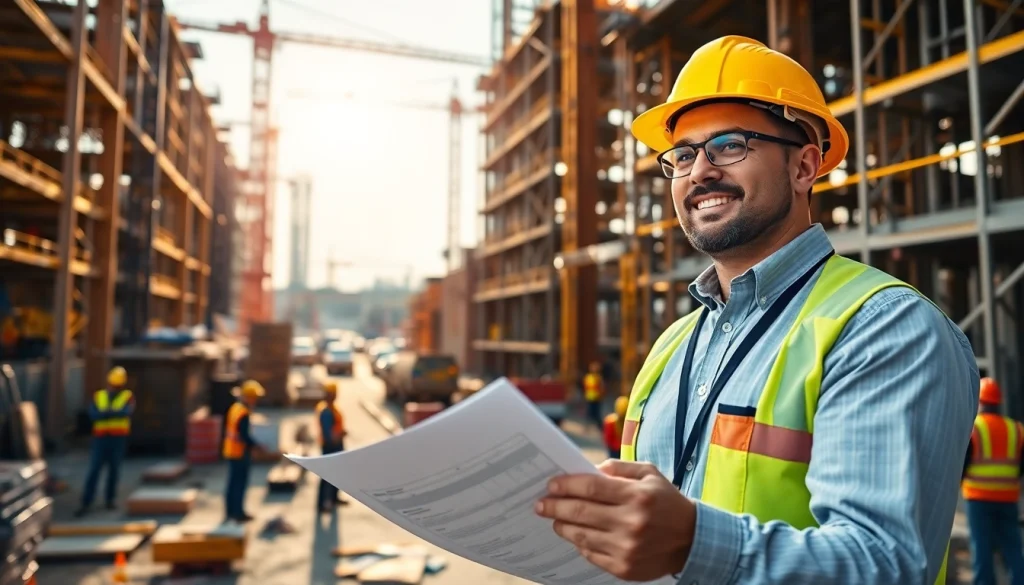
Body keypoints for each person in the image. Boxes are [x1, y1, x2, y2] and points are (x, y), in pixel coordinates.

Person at [534, 35, 979, 584]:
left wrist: (693, 543)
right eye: (682, 155)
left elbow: (886, 564)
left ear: (804, 167)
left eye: (728, 145)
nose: (699, 172)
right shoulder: (673, 344)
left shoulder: (883, 328)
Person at [962, 377, 1024, 585]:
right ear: (998, 402)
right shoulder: (1016, 429)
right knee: (1013, 547)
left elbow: (965, 463)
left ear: (980, 402)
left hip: (978, 498)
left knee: (981, 547)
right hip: (1008, 497)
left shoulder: (973, 429)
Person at [76, 366, 134, 517]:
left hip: (117, 439)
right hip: (101, 439)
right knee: (94, 470)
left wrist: (106, 414)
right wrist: (112, 414)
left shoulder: (127, 396)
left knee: (114, 471)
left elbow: (126, 412)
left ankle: (110, 500)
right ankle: (87, 501)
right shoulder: (99, 396)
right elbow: (94, 415)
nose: (114, 388)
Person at [222, 379, 266, 522]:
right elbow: (244, 436)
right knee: (239, 484)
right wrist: (258, 446)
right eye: (254, 398)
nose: (255, 401)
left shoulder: (235, 408)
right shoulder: (244, 413)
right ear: (248, 397)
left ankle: (230, 512)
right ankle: (238, 513)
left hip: (231, 451)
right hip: (240, 453)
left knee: (232, 484)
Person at [316, 380, 348, 513]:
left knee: (337, 474)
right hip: (330, 446)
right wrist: (336, 437)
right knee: (326, 475)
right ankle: (322, 504)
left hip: (337, 445)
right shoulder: (326, 411)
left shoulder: (332, 408)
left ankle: (334, 498)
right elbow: (327, 432)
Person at [582, 361, 604, 430]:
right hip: (589, 398)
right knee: (589, 413)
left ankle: (600, 427)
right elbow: (585, 387)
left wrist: (601, 395)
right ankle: (587, 426)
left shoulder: (598, 378)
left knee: (597, 413)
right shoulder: (588, 377)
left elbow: (601, 387)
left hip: (597, 398)